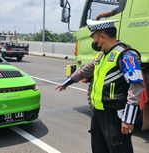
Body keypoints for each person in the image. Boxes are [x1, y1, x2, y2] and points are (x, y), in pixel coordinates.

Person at [55, 19, 144, 153]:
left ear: (102, 37)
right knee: (99, 148)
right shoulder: (101, 56)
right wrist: (67, 82)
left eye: (94, 38)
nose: (94, 42)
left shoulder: (125, 55)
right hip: (98, 114)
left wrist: (129, 119)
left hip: (115, 115)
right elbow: (85, 70)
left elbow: (136, 85)